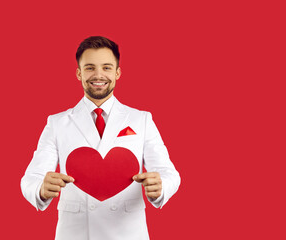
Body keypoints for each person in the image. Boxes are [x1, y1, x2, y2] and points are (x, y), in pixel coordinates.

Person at [21, 36, 181, 240]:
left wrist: (160, 186)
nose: (98, 75)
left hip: (128, 234)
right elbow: (30, 178)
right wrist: (41, 189)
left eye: (106, 67)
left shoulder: (142, 119)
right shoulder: (57, 123)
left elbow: (169, 173)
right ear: (79, 73)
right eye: (89, 68)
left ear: (117, 72)